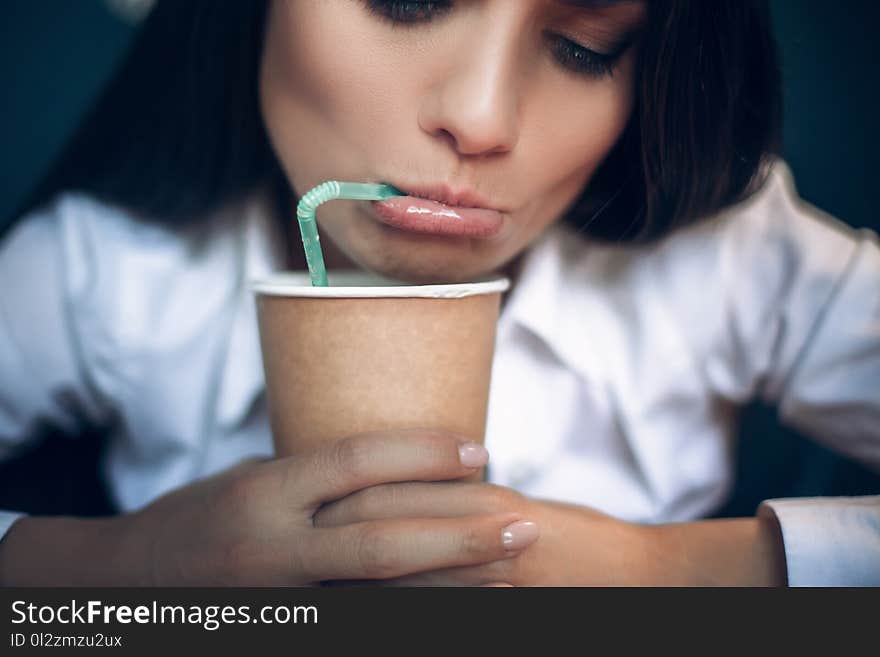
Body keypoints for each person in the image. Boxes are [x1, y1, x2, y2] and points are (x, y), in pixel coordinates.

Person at [0, 0, 877, 586]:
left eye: (585, 45)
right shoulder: (104, 268)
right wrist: (117, 565)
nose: (483, 115)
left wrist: (664, 570)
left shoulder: (731, 257)